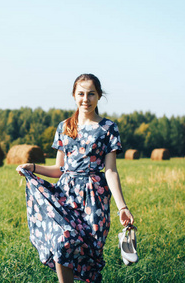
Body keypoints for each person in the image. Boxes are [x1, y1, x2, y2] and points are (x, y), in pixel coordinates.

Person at [16, 73, 134, 283]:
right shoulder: (64, 127)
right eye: (81, 94)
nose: (85, 99)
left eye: (91, 94)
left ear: (99, 97)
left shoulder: (108, 128)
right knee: (62, 242)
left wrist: (122, 207)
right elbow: (58, 169)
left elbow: (110, 171)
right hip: (66, 195)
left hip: (94, 198)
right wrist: (32, 167)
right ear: (73, 95)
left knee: (90, 252)